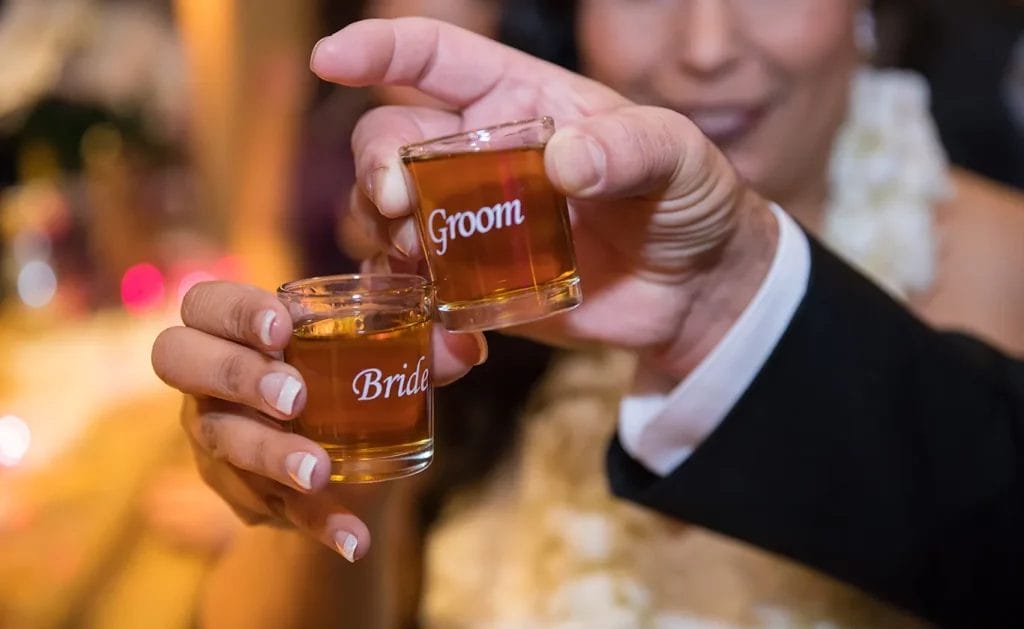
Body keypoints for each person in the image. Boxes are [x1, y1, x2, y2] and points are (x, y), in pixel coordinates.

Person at [150, 8, 1024, 629]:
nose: (706, 46)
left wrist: (717, 300)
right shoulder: (489, 263)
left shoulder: (1008, 265)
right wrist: (333, 469)